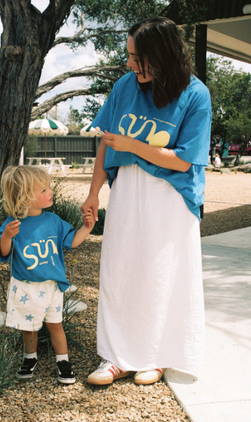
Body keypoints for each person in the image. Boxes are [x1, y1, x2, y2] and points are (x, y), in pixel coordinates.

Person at [81, 16, 212, 386]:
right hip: (127, 191)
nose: (128, 64)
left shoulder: (195, 94)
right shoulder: (125, 86)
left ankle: (156, 355)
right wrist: (93, 193)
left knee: (162, 273)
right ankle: (116, 356)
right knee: (119, 269)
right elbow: (106, 144)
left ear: (161, 55)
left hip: (171, 196)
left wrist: (135, 146)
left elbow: (185, 159)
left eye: (135, 56)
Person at [0, 165, 95, 384]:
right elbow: (3, 252)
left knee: (56, 325)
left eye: (49, 187)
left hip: (52, 286)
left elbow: (72, 242)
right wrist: (7, 236)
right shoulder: (13, 224)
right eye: (43, 190)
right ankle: (30, 358)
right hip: (26, 287)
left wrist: (86, 228)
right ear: (25, 197)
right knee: (28, 328)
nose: (51, 191)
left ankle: (63, 360)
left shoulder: (54, 221)